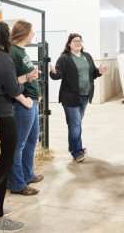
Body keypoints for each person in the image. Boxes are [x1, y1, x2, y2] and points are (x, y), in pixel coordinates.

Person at [0, 20, 34, 232]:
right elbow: (13, 88)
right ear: (4, 36)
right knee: (3, 167)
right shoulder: (2, 58)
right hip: (3, 115)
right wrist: (23, 83)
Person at [49, 33, 107, 162]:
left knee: (76, 123)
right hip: (70, 96)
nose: (78, 43)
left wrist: (98, 72)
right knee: (75, 123)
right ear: (69, 44)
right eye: (75, 41)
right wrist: (53, 73)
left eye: (80, 41)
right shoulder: (64, 58)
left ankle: (74, 146)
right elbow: (58, 74)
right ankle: (77, 152)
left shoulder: (87, 56)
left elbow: (92, 73)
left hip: (85, 95)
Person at [8, 20, 44, 196]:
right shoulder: (13, 52)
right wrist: (28, 78)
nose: (33, 35)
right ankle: (17, 184)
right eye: (31, 31)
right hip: (23, 104)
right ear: (24, 33)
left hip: (31, 101)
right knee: (19, 145)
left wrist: (33, 83)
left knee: (31, 140)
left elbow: (24, 76)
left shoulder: (22, 51)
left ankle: (28, 174)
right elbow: (11, 80)